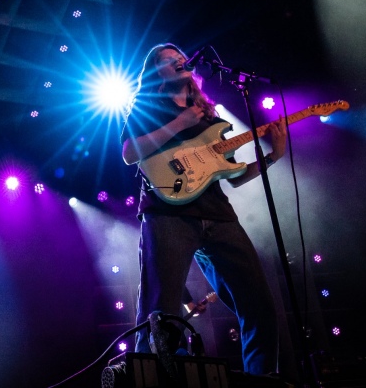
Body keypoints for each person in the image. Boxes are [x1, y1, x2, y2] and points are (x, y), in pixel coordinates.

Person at [120, 42, 287, 376]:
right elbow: (129, 152)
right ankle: (149, 380)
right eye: (169, 61)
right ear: (157, 75)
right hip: (168, 215)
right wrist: (180, 123)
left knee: (260, 306)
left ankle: (263, 381)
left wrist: (272, 156)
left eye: (180, 57)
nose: (180, 61)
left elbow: (236, 177)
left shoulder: (210, 117)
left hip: (219, 215)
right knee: (162, 313)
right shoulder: (147, 105)